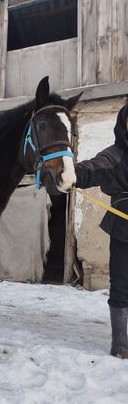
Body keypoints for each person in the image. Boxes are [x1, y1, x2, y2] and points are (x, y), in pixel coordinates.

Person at [75, 103, 128, 359]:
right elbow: (91, 168)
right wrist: (67, 172)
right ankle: (120, 343)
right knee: (121, 284)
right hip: (124, 229)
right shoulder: (116, 155)